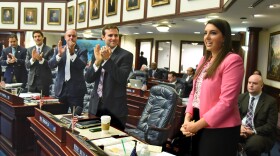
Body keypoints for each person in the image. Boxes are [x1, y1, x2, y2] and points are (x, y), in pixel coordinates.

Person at [180, 19, 244, 156]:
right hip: (199, 121)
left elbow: (227, 102)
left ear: (224, 38)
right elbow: (194, 92)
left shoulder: (232, 60)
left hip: (220, 128)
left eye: (213, 33)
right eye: (205, 33)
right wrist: (187, 118)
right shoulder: (204, 59)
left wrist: (196, 126)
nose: (207, 37)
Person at [85, 25, 133, 131]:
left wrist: (107, 60)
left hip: (114, 108)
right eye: (110, 35)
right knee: (92, 140)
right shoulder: (97, 53)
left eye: (116, 35)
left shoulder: (126, 55)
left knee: (113, 141)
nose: (114, 38)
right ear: (103, 37)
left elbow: (121, 77)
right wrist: (97, 61)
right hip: (96, 105)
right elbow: (88, 79)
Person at [49, 29, 88, 113]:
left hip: (76, 91)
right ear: (65, 37)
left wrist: (72, 53)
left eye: (73, 36)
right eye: (69, 35)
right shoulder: (58, 49)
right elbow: (51, 65)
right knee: (59, 118)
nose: (71, 38)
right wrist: (59, 55)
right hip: (61, 90)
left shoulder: (82, 50)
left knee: (76, 118)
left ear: (76, 38)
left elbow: (81, 65)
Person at [238, 74, 277, 156]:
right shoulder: (241, 97)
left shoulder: (271, 102)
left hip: (260, 133)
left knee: (253, 146)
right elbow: (235, 116)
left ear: (261, 85)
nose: (251, 85)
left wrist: (253, 131)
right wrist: (240, 127)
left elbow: (271, 125)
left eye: (254, 83)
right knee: (225, 136)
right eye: (249, 82)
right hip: (242, 128)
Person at [25, 30, 53, 96]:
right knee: (30, 103)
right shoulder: (29, 50)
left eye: (39, 36)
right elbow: (27, 65)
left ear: (43, 37)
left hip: (44, 82)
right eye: (35, 37)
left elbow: (51, 64)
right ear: (33, 38)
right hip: (32, 82)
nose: (37, 38)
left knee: (43, 104)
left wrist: (41, 60)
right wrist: (33, 59)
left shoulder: (49, 50)